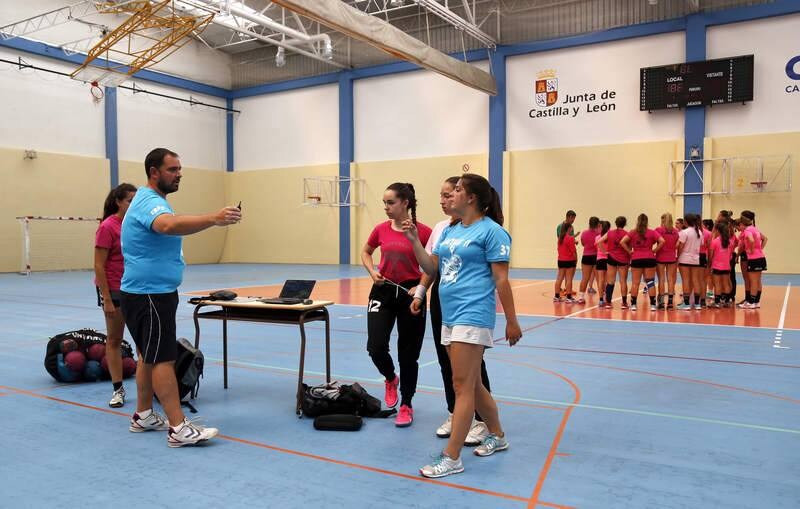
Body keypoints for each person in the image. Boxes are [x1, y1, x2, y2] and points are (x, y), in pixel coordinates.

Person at [121, 148, 241, 447]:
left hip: (149, 292)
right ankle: (178, 428)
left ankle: (144, 414)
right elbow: (167, 226)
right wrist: (214, 218)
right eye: (173, 169)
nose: (179, 174)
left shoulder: (154, 201)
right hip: (150, 294)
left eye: (179, 169)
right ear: (154, 172)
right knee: (162, 358)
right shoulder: (149, 201)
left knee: (147, 358)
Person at [404, 173, 521, 478]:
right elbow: (431, 268)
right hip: (450, 315)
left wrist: (511, 320)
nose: (450, 195)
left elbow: (501, 279)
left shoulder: (493, 232)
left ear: (470, 198)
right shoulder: (451, 231)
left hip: (474, 312)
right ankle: (498, 435)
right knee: (474, 384)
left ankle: (452, 456)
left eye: (456, 190)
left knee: (461, 385)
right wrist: (415, 241)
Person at [410, 177, 491, 445]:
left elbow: (495, 275)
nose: (445, 200)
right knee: (448, 364)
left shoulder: (483, 229)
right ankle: (454, 411)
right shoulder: (442, 229)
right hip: (443, 302)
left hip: (470, 306)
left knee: (473, 369)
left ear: (467, 197)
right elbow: (432, 267)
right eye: (442, 196)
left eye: (450, 194)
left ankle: (480, 421)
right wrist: (421, 292)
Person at [361, 183, 431, 427]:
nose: (386, 208)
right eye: (384, 203)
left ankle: (406, 404)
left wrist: (420, 288)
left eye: (390, 203)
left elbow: (432, 266)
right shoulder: (380, 229)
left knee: (408, 355)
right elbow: (366, 252)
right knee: (375, 346)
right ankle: (390, 378)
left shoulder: (424, 232)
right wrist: (372, 272)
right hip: (383, 290)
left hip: (411, 294)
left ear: (405, 203)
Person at [94, 183, 137, 407]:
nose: (133, 204)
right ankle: (118, 389)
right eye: (130, 200)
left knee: (143, 341)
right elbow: (99, 266)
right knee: (114, 339)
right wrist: (107, 299)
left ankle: (150, 387)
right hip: (114, 289)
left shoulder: (136, 225)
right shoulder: (108, 227)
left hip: (136, 288)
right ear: (119, 202)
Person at [620, 214, 664, 311]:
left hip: (636, 259)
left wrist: (629, 251)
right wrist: (654, 250)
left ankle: (634, 305)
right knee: (650, 282)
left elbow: (622, 242)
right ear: (647, 222)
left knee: (635, 283)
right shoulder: (652, 232)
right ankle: (652, 305)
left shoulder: (632, 232)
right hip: (649, 258)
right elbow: (662, 241)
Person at [738, 213, 768, 309]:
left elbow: (750, 240)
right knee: (758, 281)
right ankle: (756, 301)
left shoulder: (747, 230)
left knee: (753, 281)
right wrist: (759, 249)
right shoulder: (755, 229)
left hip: (753, 258)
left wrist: (751, 249)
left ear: (743, 224)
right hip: (761, 257)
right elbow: (764, 239)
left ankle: (751, 302)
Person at [676, 214, 704, 310]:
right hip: (696, 259)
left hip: (685, 258)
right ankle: (697, 304)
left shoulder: (684, 232)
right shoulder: (699, 232)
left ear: (687, 221)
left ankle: (687, 303)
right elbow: (701, 244)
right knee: (696, 280)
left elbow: (680, 246)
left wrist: (677, 257)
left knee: (686, 280)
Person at [601, 216, 630, 309]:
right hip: (623, 258)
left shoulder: (610, 233)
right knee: (623, 281)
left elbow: (599, 241)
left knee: (610, 281)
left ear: (616, 223)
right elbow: (630, 247)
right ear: (625, 224)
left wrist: (605, 252)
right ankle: (624, 303)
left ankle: (608, 303)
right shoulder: (627, 234)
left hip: (611, 258)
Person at [655, 212, 680, 309]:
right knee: (670, 280)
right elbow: (677, 244)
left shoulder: (658, 230)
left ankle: (661, 303)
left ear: (663, 220)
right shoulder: (675, 231)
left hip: (661, 257)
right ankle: (670, 302)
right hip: (672, 257)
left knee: (661, 279)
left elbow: (654, 240)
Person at [708, 222, 734, 308]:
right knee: (726, 284)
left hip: (716, 266)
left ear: (718, 231)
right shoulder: (730, 242)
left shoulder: (715, 242)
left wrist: (710, 265)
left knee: (717, 284)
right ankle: (727, 301)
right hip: (726, 266)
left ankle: (717, 302)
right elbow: (730, 255)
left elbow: (711, 256)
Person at [577, 216, 600, 304]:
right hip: (596, 256)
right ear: (598, 224)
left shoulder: (584, 233)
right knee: (599, 278)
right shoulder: (599, 233)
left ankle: (581, 297)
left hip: (586, 256)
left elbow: (583, 243)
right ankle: (602, 298)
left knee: (585, 278)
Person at [555, 221, 578, 303]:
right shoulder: (570, 238)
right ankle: (569, 296)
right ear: (569, 228)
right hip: (569, 260)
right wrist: (575, 260)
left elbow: (559, 250)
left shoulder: (560, 239)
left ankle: (556, 296)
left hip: (561, 260)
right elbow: (573, 251)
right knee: (569, 279)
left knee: (559, 279)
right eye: (571, 228)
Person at [595, 221, 611, 308]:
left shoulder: (597, 237)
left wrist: (603, 252)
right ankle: (607, 299)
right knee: (608, 280)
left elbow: (597, 245)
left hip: (600, 259)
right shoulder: (609, 237)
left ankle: (601, 299)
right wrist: (606, 252)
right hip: (608, 260)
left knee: (601, 280)